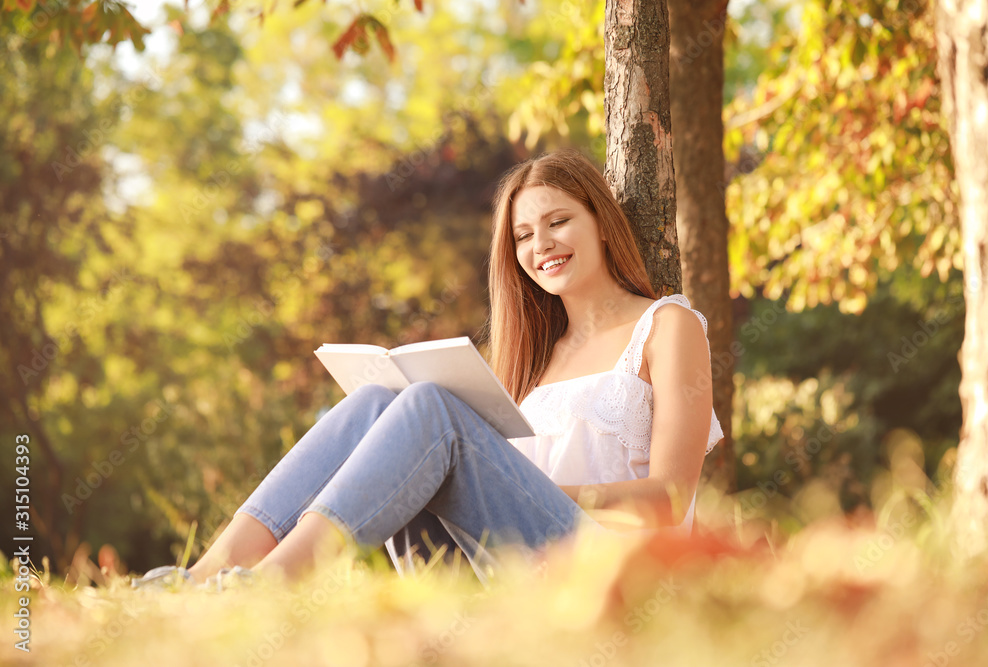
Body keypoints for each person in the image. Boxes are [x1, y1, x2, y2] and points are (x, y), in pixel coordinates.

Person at [131, 148, 723, 591]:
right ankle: (210, 572)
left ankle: (273, 583)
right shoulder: (537, 355)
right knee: (377, 402)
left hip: (614, 572)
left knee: (432, 407)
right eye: (522, 234)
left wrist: (540, 492)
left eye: (558, 221)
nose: (541, 244)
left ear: (601, 222)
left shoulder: (668, 326)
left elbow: (669, 499)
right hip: (504, 572)